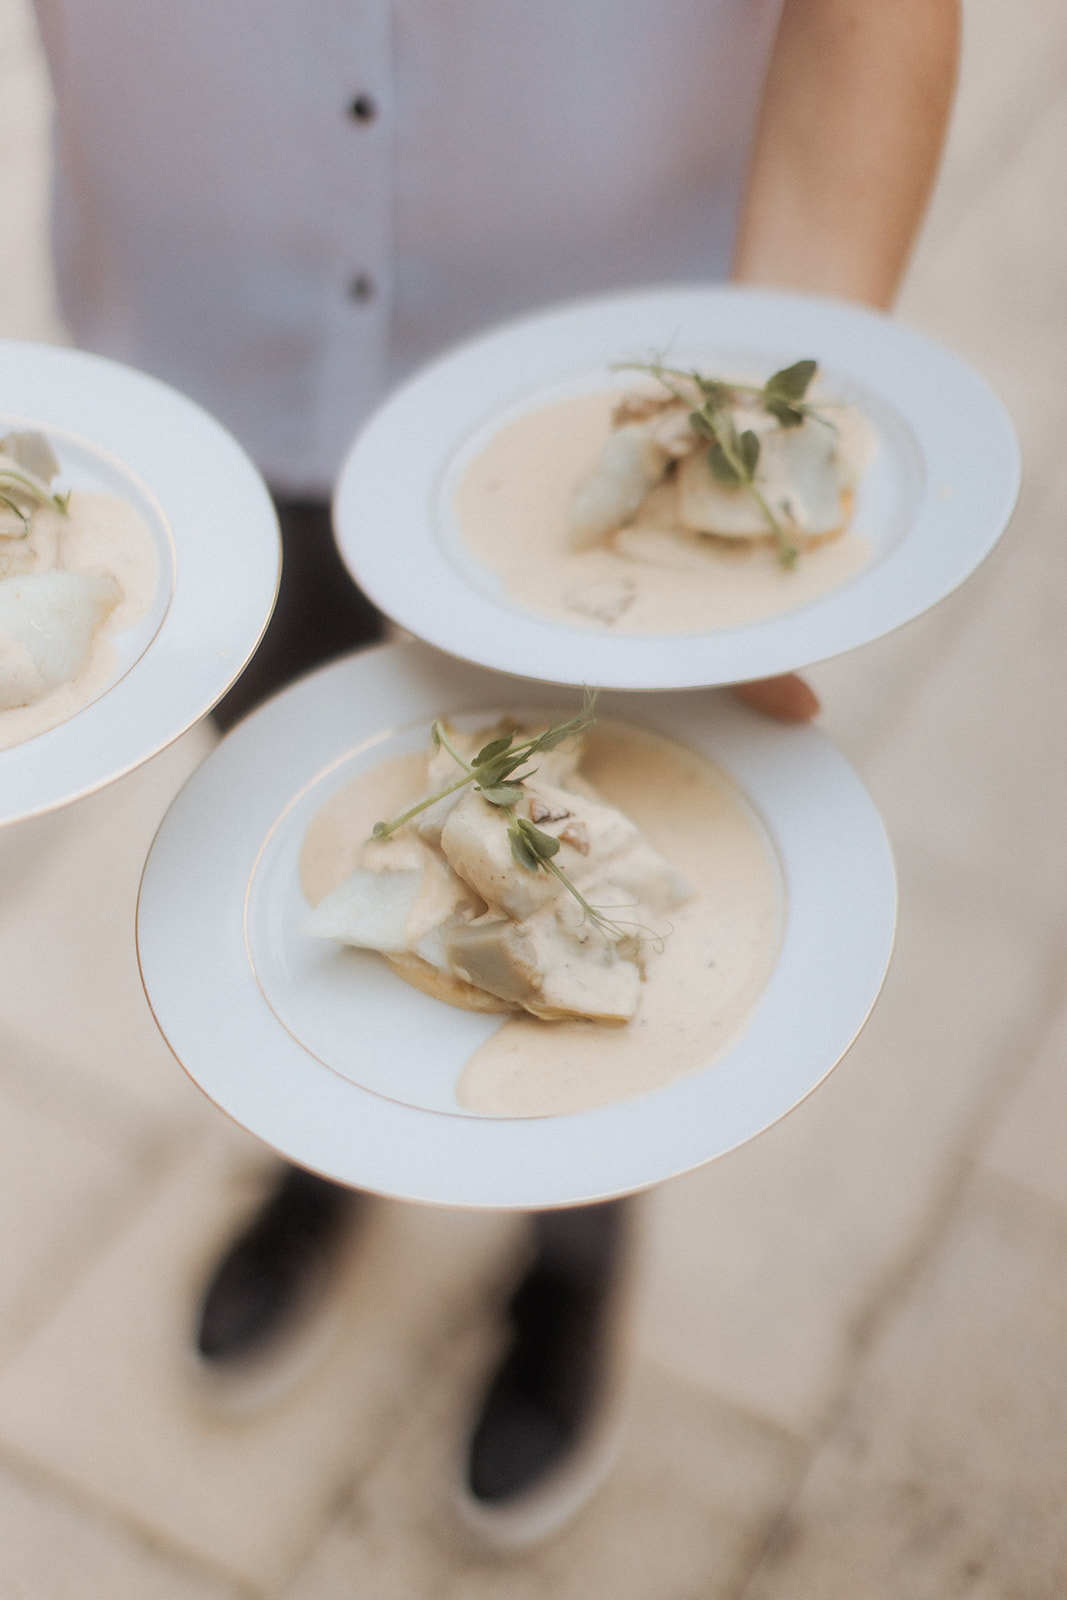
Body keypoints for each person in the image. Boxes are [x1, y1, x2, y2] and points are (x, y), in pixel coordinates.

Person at [31, 0, 960, 1540]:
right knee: (298, 841)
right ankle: (329, 1156)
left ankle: (575, 1240)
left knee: (595, 896)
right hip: (201, 374)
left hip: (596, 419)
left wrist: (744, 483)